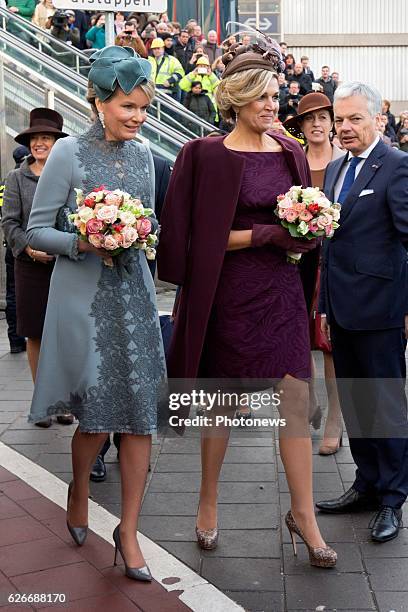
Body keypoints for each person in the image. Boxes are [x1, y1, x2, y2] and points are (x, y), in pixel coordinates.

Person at [158, 38, 336, 568]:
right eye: (260, 96)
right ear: (235, 98)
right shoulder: (202, 154)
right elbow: (188, 240)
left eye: (275, 95)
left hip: (281, 293)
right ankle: (208, 501)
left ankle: (304, 514)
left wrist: (305, 234)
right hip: (227, 295)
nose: (270, 105)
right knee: (224, 406)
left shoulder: (291, 152)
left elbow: (303, 221)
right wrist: (265, 235)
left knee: (295, 402)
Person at [26, 46, 166, 579]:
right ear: (100, 101)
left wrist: (138, 232)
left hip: (133, 296)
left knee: (141, 418)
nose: (137, 117)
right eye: (129, 106)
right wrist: (86, 241)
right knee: (98, 416)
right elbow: (38, 231)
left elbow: (149, 226)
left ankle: (128, 531)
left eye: (144, 108)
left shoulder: (144, 155)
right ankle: (79, 483)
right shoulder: (65, 154)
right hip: (83, 300)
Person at [316, 81, 408, 543]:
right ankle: (367, 484)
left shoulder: (396, 167)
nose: (344, 127)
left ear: (378, 119)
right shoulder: (334, 170)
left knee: (386, 405)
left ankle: (393, 497)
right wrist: (324, 307)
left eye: (354, 118)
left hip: (382, 312)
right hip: (342, 311)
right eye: (340, 119)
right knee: (355, 402)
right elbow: (330, 246)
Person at [90, 151, 171, 483]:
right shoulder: (86, 162)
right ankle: (96, 446)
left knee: (134, 367)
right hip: (93, 287)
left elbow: (164, 222)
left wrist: (140, 231)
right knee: (100, 367)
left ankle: (130, 443)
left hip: (138, 285)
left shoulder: (157, 164)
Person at [2, 108, 74, 428]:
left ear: (57, 143)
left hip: (67, 265)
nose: (39, 143)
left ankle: (65, 401)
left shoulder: (70, 176)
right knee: (36, 333)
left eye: (46, 137)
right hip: (30, 267)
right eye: (35, 138)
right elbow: (9, 223)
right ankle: (43, 402)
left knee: (66, 333)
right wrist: (28, 247)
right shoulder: (17, 178)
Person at [285, 93, 345, 454]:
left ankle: (336, 420)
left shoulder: (345, 162)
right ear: (302, 127)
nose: (318, 123)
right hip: (299, 258)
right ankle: (309, 402)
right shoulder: (295, 163)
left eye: (323, 117)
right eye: (310, 119)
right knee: (298, 334)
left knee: (330, 342)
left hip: (334, 261)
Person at [0, 146, 29, 354]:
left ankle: (15, 341)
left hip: (10, 245)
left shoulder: (4, 184)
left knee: (13, 293)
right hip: (26, 245)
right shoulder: (21, 179)